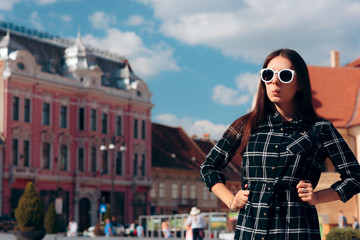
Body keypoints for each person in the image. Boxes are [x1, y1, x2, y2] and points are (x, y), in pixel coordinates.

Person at [200, 48, 360, 240]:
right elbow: (209, 167)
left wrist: (317, 197)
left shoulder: (320, 129)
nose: (275, 81)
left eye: (284, 75)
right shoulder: (246, 125)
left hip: (297, 231)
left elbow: (355, 177)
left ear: (299, 83)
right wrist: (231, 200)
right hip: (251, 232)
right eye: (268, 75)